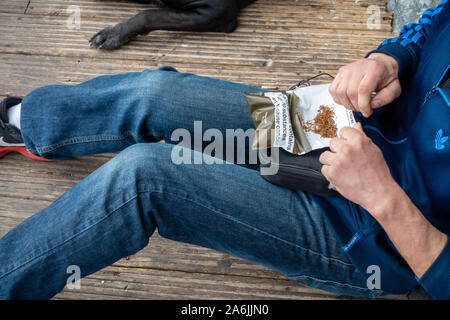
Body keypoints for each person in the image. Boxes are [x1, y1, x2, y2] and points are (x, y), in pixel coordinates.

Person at [0, 0, 448, 300]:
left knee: (146, 177)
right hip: (333, 127)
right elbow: (427, 30)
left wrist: (381, 195)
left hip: (367, 232)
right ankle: (25, 124)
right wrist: (386, 60)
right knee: (156, 93)